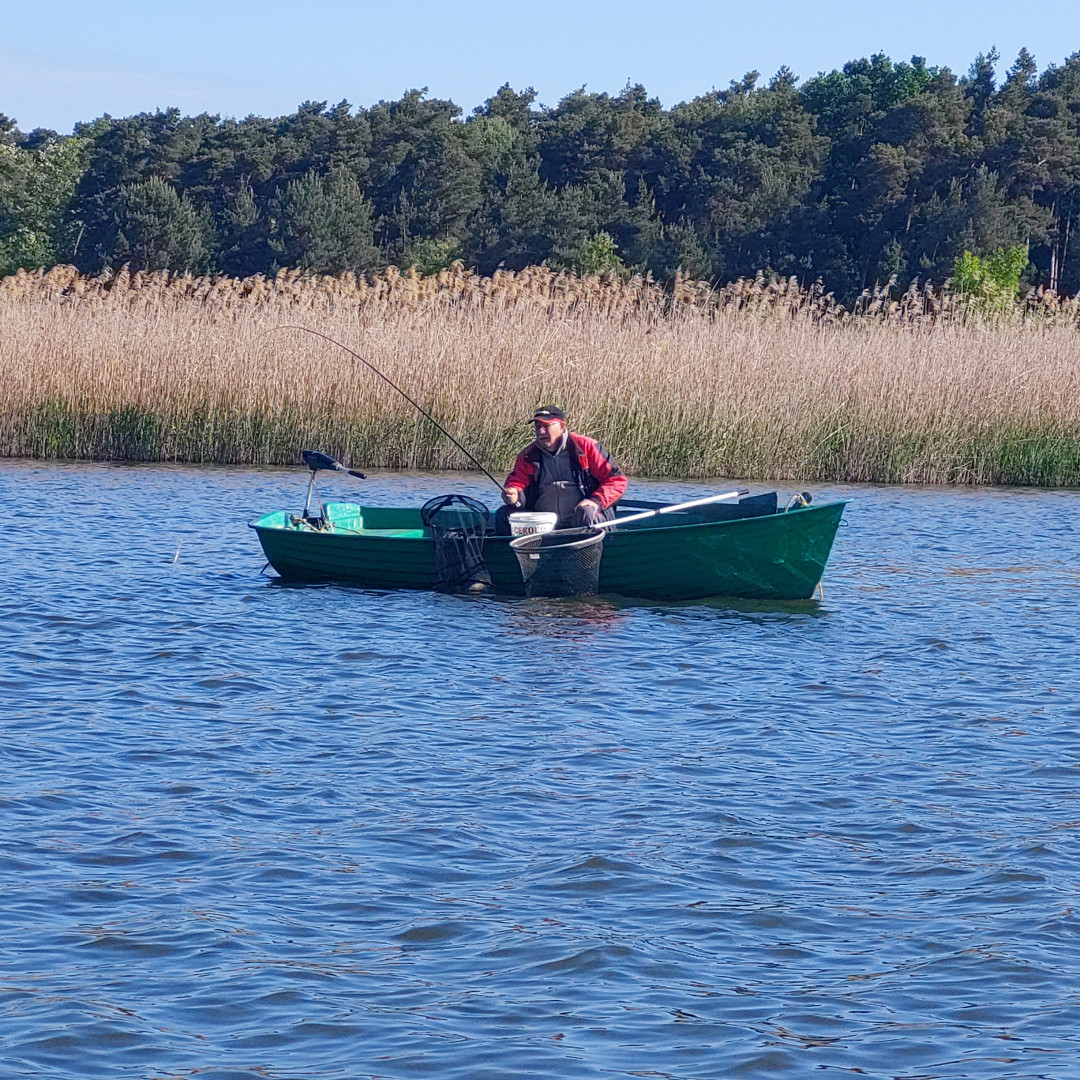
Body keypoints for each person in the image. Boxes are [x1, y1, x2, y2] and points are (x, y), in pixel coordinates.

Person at [495, 406, 628, 534]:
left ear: (562, 427)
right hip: (544, 526)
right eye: (538, 427)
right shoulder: (528, 456)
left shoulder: (586, 447)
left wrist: (595, 501)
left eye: (546, 426)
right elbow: (517, 482)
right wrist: (514, 494)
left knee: (587, 512)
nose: (541, 431)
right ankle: (509, 550)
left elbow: (617, 481)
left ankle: (591, 549)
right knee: (503, 514)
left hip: (585, 519)